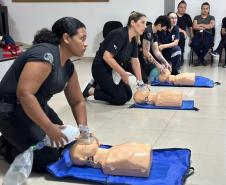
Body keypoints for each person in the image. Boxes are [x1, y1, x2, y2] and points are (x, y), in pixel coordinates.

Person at [0, 17, 91, 172]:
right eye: (82, 38)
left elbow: (78, 101)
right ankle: (4, 146)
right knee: (47, 157)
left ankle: (12, 139)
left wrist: (83, 131)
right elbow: (24, 94)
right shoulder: (45, 54)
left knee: (66, 142)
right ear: (66, 38)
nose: (86, 43)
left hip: (35, 106)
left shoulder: (68, 66)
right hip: (10, 108)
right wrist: (48, 127)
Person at [82, 11, 147, 105]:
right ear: (133, 23)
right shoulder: (120, 34)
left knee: (128, 95)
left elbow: (135, 61)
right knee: (120, 99)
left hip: (113, 70)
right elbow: (107, 56)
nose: (145, 26)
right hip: (101, 69)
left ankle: (99, 84)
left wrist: (140, 82)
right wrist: (123, 73)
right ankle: (89, 90)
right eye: (143, 22)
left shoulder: (134, 39)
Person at [70, 136, 152, 177]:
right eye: (84, 147)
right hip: (139, 158)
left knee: (129, 148)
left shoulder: (111, 152)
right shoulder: (108, 163)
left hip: (113, 153)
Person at [135, 16, 172, 83]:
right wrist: (158, 65)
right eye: (164, 29)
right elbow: (145, 52)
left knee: (156, 70)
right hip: (136, 55)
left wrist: (165, 62)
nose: (164, 31)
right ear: (159, 25)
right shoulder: (148, 32)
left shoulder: (154, 32)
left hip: (144, 55)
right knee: (144, 79)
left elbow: (156, 51)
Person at [190, 2, 215, 66]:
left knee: (207, 44)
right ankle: (202, 59)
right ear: (201, 9)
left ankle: (199, 59)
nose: (205, 10)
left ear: (209, 9)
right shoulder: (196, 17)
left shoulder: (211, 17)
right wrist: (206, 26)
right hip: (198, 34)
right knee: (194, 44)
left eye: (207, 8)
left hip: (208, 34)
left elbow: (211, 26)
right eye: (203, 8)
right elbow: (194, 26)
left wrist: (201, 25)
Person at [176, 0, 193, 65]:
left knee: (181, 36)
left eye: (184, 7)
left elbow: (190, 28)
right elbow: (172, 26)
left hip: (181, 36)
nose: (183, 9)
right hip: (172, 34)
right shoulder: (173, 15)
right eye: (181, 7)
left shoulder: (187, 16)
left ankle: (180, 57)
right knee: (181, 34)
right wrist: (183, 31)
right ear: (178, 8)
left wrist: (191, 39)